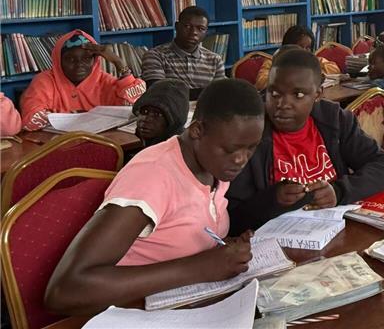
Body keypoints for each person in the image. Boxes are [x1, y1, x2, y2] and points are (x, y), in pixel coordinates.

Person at [45, 79, 265, 315]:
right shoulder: (152, 176)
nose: (242, 159)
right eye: (231, 149)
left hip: (188, 305)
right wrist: (200, 268)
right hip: (132, 313)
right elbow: (65, 291)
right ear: (197, 131)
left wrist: (225, 249)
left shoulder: (214, 166)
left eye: (251, 148)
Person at [226, 48, 384, 234]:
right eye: (274, 93)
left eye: (298, 95)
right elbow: (231, 218)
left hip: (334, 233)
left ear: (317, 95)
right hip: (275, 243)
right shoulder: (251, 131)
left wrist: (338, 192)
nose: (283, 104)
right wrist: (272, 199)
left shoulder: (333, 119)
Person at [20, 30, 146, 132]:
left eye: (86, 58)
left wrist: (119, 63)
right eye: (70, 59)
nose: (79, 65)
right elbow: (31, 118)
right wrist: (77, 118)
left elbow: (137, 106)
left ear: (95, 60)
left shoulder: (104, 80)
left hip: (103, 143)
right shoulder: (45, 81)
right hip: (56, 146)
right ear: (59, 61)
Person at [141, 6, 225, 100]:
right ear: (177, 26)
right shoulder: (155, 55)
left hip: (205, 113)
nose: (193, 32)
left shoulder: (215, 60)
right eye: (187, 26)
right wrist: (208, 92)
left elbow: (220, 95)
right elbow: (159, 93)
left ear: (206, 32)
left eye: (201, 29)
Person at [255, 25, 338, 91]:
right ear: (289, 46)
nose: (304, 51)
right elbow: (261, 82)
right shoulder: (272, 62)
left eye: (308, 47)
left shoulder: (314, 60)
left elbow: (335, 69)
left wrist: (314, 72)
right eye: (300, 46)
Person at [133, 79, 190, 148]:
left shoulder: (180, 150)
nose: (145, 119)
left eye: (157, 114)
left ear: (173, 120)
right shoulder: (139, 143)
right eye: (144, 111)